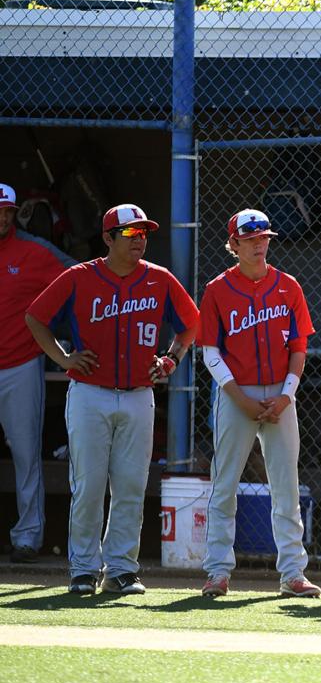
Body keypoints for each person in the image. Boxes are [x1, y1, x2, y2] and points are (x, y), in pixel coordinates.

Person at [25, 204, 198, 595]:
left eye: (143, 233)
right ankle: (84, 569)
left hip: (139, 394)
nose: (140, 240)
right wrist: (63, 358)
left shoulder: (159, 279)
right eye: (130, 233)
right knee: (88, 485)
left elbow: (190, 324)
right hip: (90, 393)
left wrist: (171, 359)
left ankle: (121, 569)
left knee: (131, 486)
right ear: (108, 238)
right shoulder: (79, 277)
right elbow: (36, 317)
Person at [196, 209, 319, 598]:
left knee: (286, 486)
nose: (259, 244)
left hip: (281, 394)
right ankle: (218, 571)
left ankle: (293, 573)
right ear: (233, 244)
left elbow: (299, 347)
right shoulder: (218, 289)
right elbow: (210, 352)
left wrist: (287, 395)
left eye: (263, 237)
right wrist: (240, 398)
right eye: (250, 239)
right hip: (236, 394)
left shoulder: (288, 285)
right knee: (225, 484)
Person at [0, 183, 71, 563]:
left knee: (26, 453)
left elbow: (79, 278)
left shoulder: (34, 250)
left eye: (7, 212)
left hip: (20, 363)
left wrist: (59, 333)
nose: (2, 218)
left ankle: (27, 537)